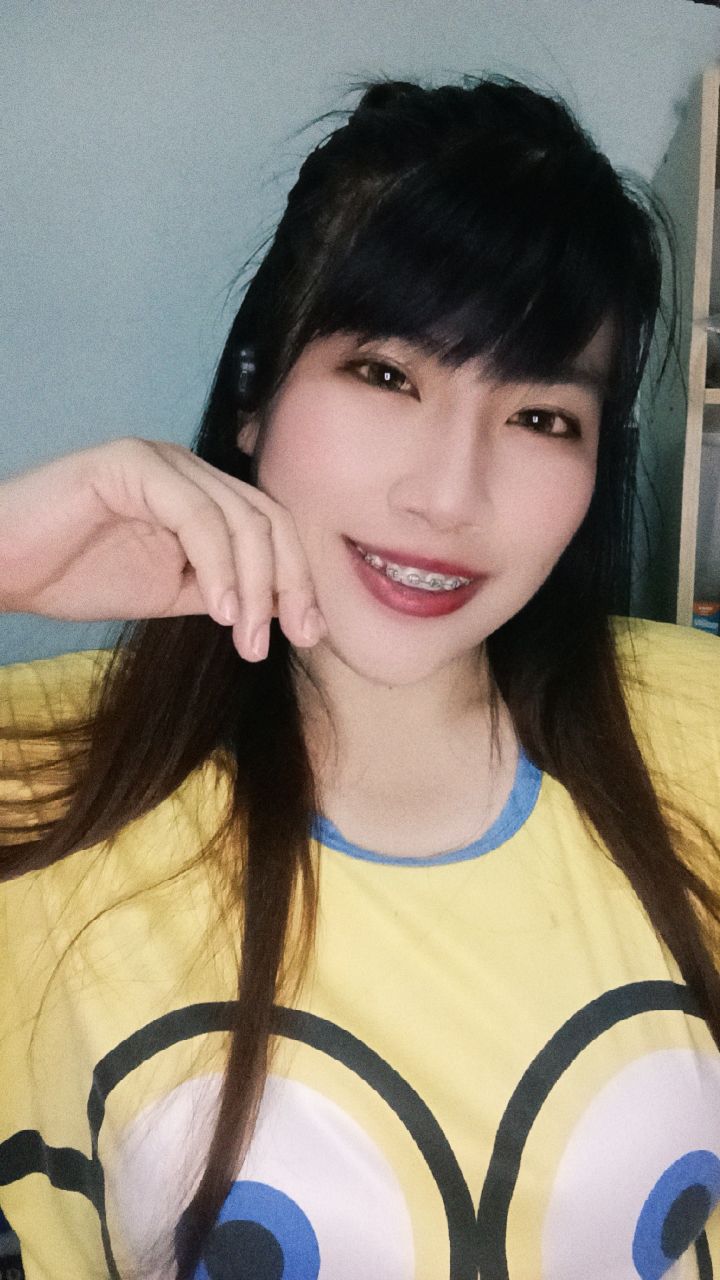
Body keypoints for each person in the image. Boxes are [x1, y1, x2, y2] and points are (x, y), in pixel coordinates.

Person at [1, 73, 720, 1280]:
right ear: (254, 392)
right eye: (388, 375)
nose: (447, 494)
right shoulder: (47, 785)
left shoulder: (698, 731)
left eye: (543, 417)